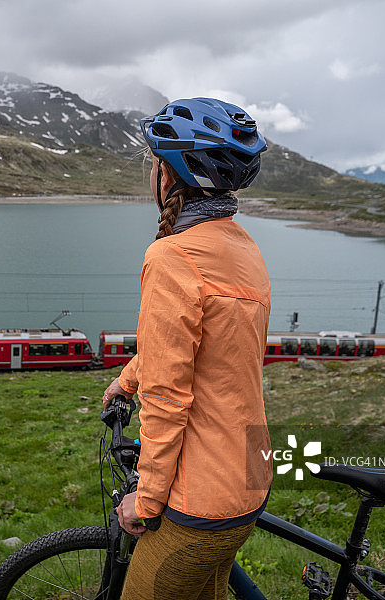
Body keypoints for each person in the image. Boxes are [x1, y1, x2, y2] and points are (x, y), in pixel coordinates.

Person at [102, 97, 273, 600]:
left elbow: (168, 394)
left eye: (152, 164)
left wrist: (147, 500)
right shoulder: (242, 245)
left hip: (202, 499)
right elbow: (203, 349)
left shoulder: (173, 256)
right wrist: (127, 377)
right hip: (248, 471)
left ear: (169, 175)